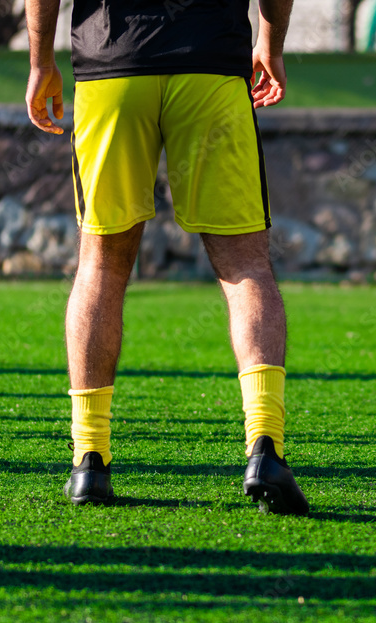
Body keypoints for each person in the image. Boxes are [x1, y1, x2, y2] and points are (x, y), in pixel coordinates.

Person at [25, 0, 309, 513]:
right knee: (246, 264)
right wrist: (271, 40)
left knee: (100, 266)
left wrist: (40, 61)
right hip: (211, 65)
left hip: (112, 66)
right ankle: (265, 451)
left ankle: (89, 462)